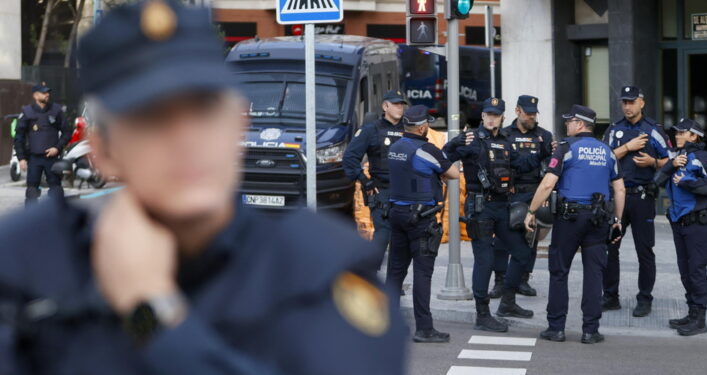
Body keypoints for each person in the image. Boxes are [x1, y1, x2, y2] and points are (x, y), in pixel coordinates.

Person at [0, 1, 406, 374]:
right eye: (152, 119)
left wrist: (149, 312)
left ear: (238, 124)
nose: (186, 139)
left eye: (204, 112)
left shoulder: (315, 269)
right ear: (103, 151)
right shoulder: (30, 261)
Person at [443, 97, 546, 333]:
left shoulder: (506, 141)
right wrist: (453, 144)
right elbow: (442, 159)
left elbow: (521, 164)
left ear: (502, 116)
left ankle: (507, 303)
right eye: (487, 114)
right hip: (480, 209)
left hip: (502, 207)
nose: (491, 118)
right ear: (482, 116)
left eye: (496, 115)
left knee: (521, 252)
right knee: (485, 261)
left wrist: (543, 152)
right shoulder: (470, 140)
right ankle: (482, 314)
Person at [525, 104, 625, 344]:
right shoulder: (607, 151)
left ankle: (556, 328)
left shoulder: (566, 149)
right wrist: (618, 220)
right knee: (594, 274)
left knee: (559, 271)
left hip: (570, 219)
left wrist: (531, 210)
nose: (566, 125)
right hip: (599, 219)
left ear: (580, 124)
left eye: (569, 121)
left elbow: (548, 184)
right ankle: (590, 330)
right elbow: (620, 188)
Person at [386, 105, 459, 343]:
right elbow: (453, 173)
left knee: (395, 271)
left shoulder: (395, 147)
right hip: (421, 218)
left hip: (397, 213)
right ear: (422, 127)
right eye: (427, 123)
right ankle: (424, 328)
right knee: (422, 273)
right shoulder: (426, 149)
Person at [601, 86, 670, 317]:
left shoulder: (654, 130)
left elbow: (671, 162)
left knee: (645, 251)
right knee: (610, 247)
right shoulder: (614, 129)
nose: (627, 106)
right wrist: (627, 148)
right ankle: (610, 296)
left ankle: (644, 298)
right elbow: (604, 158)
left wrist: (653, 161)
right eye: (624, 102)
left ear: (642, 103)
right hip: (617, 197)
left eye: (632, 102)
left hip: (642, 198)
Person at [654, 118, 707, 336]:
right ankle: (691, 313)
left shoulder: (702, 157)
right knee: (685, 272)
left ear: (694, 136)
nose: (677, 136)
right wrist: (671, 165)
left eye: (682, 133)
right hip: (679, 223)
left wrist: (686, 182)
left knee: (696, 271)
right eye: (677, 133)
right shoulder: (677, 158)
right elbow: (656, 181)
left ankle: (700, 319)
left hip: (697, 224)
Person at [489, 95, 554, 299]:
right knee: (501, 239)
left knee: (530, 238)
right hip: (510, 192)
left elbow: (551, 167)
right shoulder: (504, 134)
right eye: (528, 113)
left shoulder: (545, 135)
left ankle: (523, 279)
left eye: (534, 113)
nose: (532, 117)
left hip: (534, 192)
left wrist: (546, 194)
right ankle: (500, 280)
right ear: (517, 111)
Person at [343, 89, 407, 264]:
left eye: (401, 104)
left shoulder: (408, 129)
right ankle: (369, 274)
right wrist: (365, 181)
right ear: (385, 106)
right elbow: (350, 158)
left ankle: (394, 282)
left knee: (400, 238)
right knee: (384, 233)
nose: (399, 108)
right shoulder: (371, 130)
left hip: (406, 192)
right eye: (395, 104)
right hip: (381, 190)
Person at [14, 83, 72, 205]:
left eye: (48, 92)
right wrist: (21, 158)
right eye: (44, 93)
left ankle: (58, 218)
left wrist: (57, 147)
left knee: (56, 191)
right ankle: (30, 219)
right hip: (34, 158)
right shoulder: (27, 112)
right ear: (35, 96)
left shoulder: (56, 110)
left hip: (52, 158)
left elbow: (67, 132)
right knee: (31, 192)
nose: (47, 95)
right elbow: (19, 137)